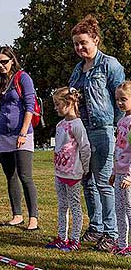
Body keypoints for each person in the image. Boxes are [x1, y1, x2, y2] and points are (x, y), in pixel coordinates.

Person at [69, 15, 125, 252]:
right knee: (87, 182)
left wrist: (120, 131)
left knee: (104, 183)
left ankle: (112, 233)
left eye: (83, 42)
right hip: (83, 131)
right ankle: (96, 226)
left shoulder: (109, 65)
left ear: (96, 40)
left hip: (105, 131)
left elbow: (122, 98)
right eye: (76, 44)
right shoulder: (78, 70)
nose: (79, 48)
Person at [0, 46, 39, 230]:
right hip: (2, 135)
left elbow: (29, 106)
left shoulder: (23, 78)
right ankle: (17, 215)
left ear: (12, 61)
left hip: (21, 134)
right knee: (11, 176)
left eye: (4, 62)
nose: (1, 65)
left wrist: (23, 132)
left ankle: (33, 218)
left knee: (25, 176)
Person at [45, 87, 91, 251]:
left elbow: (85, 147)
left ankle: (74, 240)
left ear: (69, 102)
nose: (56, 108)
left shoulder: (77, 125)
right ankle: (61, 237)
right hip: (60, 173)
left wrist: (85, 169)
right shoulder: (60, 125)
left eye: (58, 104)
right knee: (62, 206)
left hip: (73, 175)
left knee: (75, 207)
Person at [109, 81, 131, 256]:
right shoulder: (122, 121)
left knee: (130, 210)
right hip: (119, 174)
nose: (119, 103)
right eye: (117, 99)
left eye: (123, 99)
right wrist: (114, 172)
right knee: (119, 210)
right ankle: (122, 243)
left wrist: (129, 176)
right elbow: (118, 148)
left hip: (128, 177)